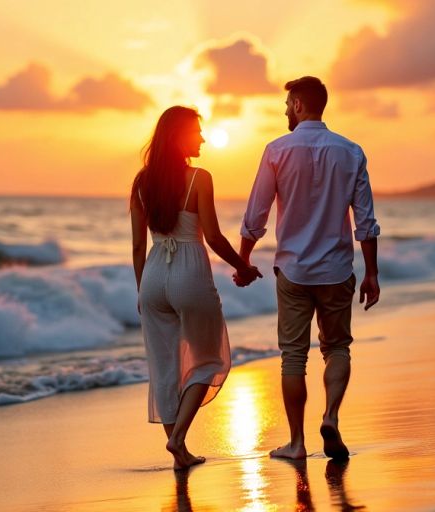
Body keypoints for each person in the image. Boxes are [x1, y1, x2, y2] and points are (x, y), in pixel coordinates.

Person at [235, 76, 380, 460]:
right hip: (336, 270)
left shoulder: (276, 150)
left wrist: (243, 259)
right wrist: (372, 273)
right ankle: (330, 416)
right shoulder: (351, 152)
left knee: (293, 356)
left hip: (294, 271)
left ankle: (297, 443)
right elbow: (365, 221)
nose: (285, 111)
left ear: (299, 104)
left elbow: (256, 214)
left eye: (287, 104)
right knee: (337, 348)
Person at [131, 105, 262, 470]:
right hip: (189, 270)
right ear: (178, 137)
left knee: (164, 365)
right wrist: (244, 267)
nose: (203, 138)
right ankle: (177, 441)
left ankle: (180, 453)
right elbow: (215, 237)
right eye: (196, 132)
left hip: (154, 274)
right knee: (208, 359)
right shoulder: (199, 178)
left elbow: (139, 246)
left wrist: (142, 290)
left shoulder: (141, 183)